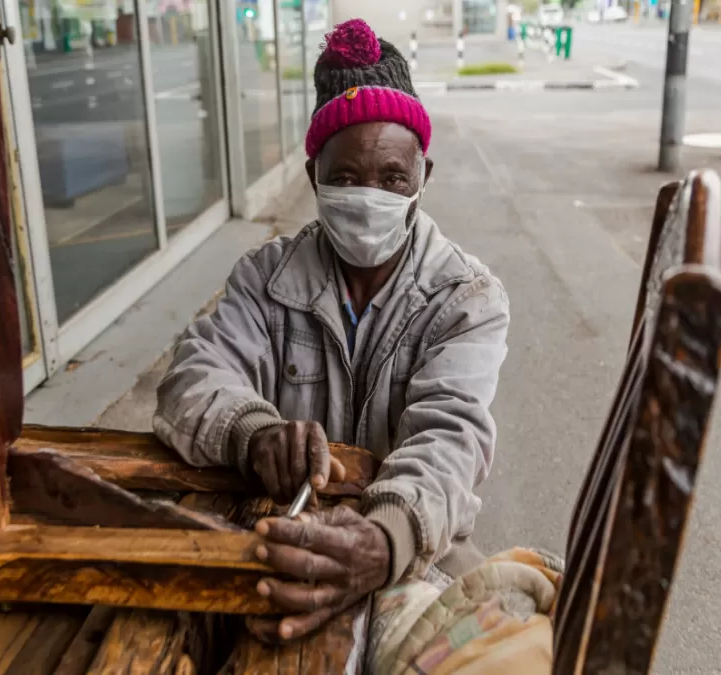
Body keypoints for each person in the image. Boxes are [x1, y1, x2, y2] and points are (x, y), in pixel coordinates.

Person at [153, 18, 510, 643]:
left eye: (393, 178)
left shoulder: (466, 297)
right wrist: (253, 433)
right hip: (273, 530)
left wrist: (385, 537)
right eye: (345, 178)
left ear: (423, 176)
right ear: (314, 175)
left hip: (411, 544)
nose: (370, 196)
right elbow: (191, 378)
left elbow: (452, 438)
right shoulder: (265, 278)